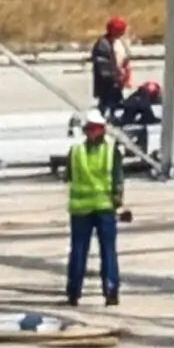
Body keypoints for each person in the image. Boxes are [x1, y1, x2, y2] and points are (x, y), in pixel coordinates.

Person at [65, 113, 128, 308]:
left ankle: (74, 292)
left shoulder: (75, 151)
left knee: (79, 251)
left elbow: (68, 176)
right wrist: (118, 200)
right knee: (106, 251)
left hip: (83, 209)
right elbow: (118, 178)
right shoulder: (111, 151)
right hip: (103, 207)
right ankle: (110, 290)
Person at [89, 16, 131, 116]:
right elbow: (102, 67)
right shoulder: (103, 44)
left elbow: (125, 57)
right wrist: (115, 76)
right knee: (106, 105)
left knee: (116, 106)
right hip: (107, 84)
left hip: (116, 82)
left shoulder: (118, 42)